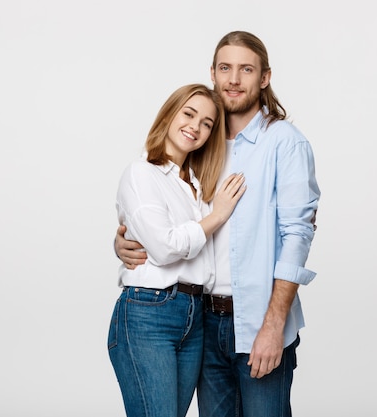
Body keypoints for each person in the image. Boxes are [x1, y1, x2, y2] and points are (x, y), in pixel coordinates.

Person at [115, 31, 320, 417]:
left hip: (260, 320)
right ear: (212, 72)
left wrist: (274, 325)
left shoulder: (285, 143)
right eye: (225, 68)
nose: (234, 79)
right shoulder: (200, 145)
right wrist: (124, 239)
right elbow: (164, 212)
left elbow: (297, 235)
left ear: (264, 77)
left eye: (246, 69)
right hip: (202, 324)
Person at [107, 83, 246, 417]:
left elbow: (201, 249)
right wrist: (218, 215)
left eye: (207, 123)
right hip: (149, 313)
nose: (195, 127)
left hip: (195, 315)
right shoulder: (141, 172)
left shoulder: (197, 185)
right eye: (189, 114)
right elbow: (165, 247)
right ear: (169, 114)